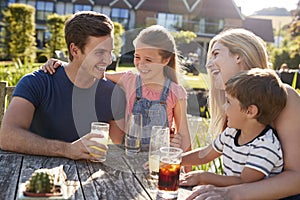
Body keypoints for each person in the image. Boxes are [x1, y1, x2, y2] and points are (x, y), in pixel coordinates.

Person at [182, 28, 300, 200]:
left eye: (215, 54)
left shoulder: (285, 97)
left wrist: (230, 193)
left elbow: (296, 178)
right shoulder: (233, 104)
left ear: (238, 56)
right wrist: (174, 159)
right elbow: (208, 154)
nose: (208, 65)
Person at [41, 25, 191, 154]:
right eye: (137, 57)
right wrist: (63, 65)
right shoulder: (129, 80)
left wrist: (188, 175)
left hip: (158, 162)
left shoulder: (176, 93)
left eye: (148, 60)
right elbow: (96, 71)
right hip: (129, 156)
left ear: (165, 60)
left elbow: (184, 137)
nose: (140, 64)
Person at [0, 11, 126, 161]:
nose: (108, 60)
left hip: (83, 182)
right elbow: (7, 136)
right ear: (75, 50)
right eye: (99, 52)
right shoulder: (38, 82)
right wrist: (67, 149)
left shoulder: (112, 94)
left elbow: (124, 145)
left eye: (110, 52)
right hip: (29, 176)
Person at [180, 68, 286, 187]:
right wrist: (174, 160)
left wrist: (202, 177)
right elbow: (204, 154)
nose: (224, 106)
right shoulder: (232, 132)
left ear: (250, 111)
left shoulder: (266, 146)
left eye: (228, 102)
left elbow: (243, 182)